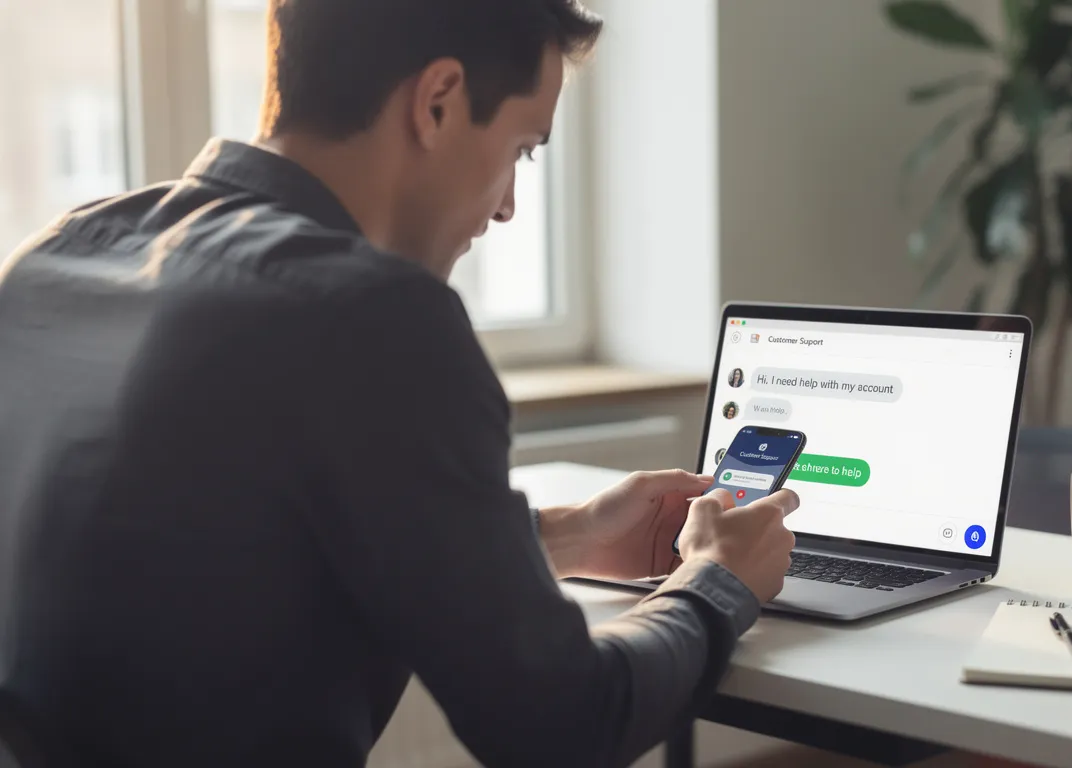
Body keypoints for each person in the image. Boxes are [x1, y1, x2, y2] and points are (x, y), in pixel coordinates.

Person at [0, 2, 798, 767]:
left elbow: (237, 567)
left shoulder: (54, 258)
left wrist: (572, 535)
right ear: (439, 101)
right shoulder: (374, 315)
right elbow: (566, 723)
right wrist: (716, 585)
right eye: (522, 148)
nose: (511, 208)